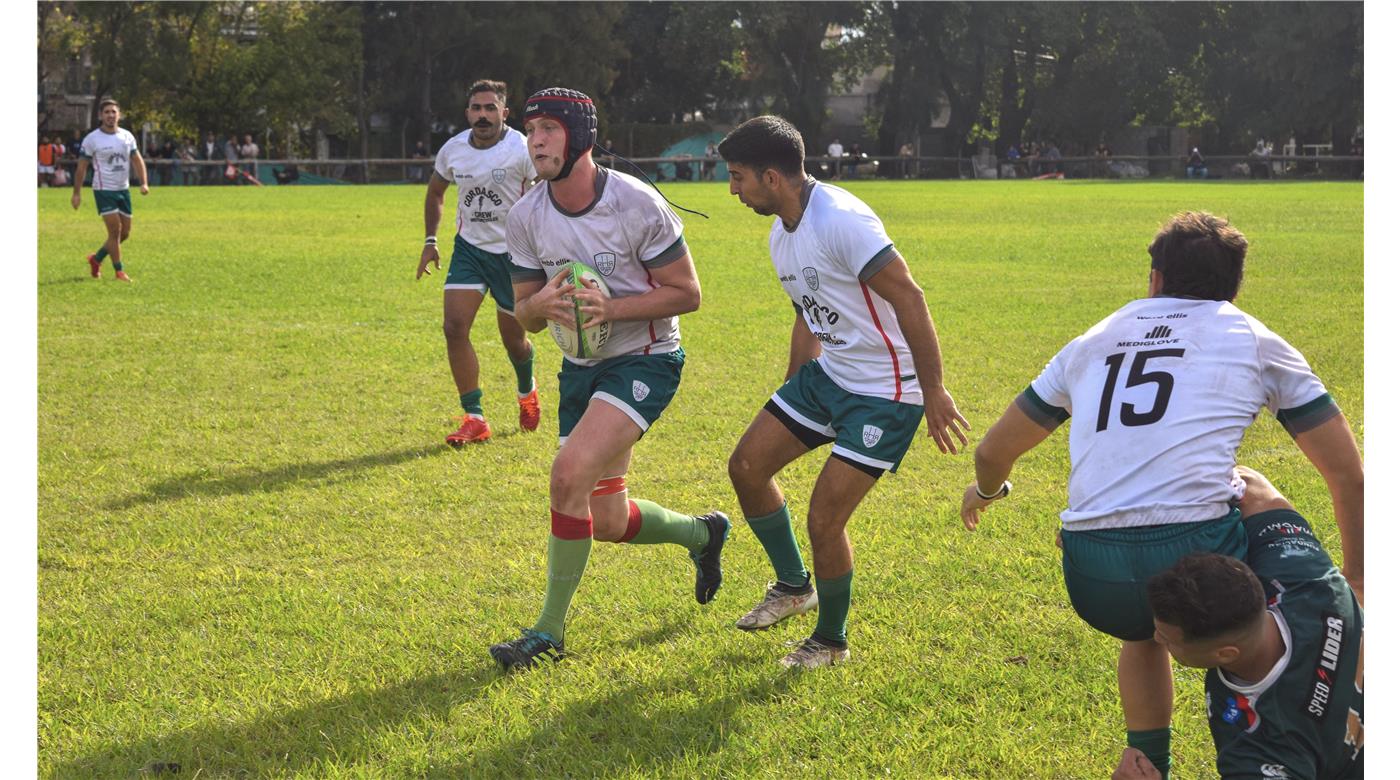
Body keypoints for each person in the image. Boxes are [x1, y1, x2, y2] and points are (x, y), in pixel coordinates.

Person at [959, 211, 1363, 778]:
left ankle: (1150, 762)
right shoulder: (1251, 335)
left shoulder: (1092, 339)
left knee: (1143, 629)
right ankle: (1291, 692)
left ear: (1154, 278)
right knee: (1251, 484)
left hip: (1091, 576)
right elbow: (1346, 472)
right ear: (1233, 286)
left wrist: (988, 491)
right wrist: (1361, 574)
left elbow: (992, 452)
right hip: (1197, 552)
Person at [488, 87, 728, 671]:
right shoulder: (525, 216)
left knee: (567, 478)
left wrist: (609, 310)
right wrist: (541, 303)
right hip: (581, 368)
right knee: (608, 521)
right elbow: (524, 317)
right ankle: (703, 535)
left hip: (646, 359)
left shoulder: (636, 204)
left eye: (548, 128)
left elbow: (688, 294)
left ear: (580, 136)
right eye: (530, 129)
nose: (535, 140)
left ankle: (547, 634)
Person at [718, 115, 969, 669]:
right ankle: (792, 586)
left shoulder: (841, 220)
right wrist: (791, 390)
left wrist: (933, 391)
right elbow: (808, 315)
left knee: (825, 520)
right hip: (830, 375)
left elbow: (910, 297)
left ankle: (831, 641)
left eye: (738, 178)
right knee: (746, 466)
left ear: (772, 177)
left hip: (886, 389)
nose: (732, 189)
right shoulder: (780, 236)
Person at [1113, 466, 1362, 779]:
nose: (1155, 638)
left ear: (1226, 654)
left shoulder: (1262, 739)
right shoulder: (1304, 576)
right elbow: (1252, 486)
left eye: (1167, 638)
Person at [416, 79, 541, 447]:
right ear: (467, 112)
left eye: (490, 108)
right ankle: (474, 417)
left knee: (514, 341)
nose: (482, 116)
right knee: (454, 327)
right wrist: (430, 241)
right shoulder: (453, 150)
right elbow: (436, 191)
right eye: (476, 108)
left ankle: (526, 391)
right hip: (469, 250)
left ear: (504, 112)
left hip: (513, 255)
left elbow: (545, 194)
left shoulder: (522, 148)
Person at [71, 98, 148, 283]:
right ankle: (119, 271)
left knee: (125, 233)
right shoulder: (92, 139)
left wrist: (144, 182)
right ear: (100, 116)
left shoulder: (127, 136)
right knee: (115, 231)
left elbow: (137, 160)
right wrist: (76, 193)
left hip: (124, 189)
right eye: (107, 112)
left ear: (119, 115)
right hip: (104, 190)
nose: (110, 115)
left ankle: (96, 259)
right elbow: (82, 167)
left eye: (114, 112)